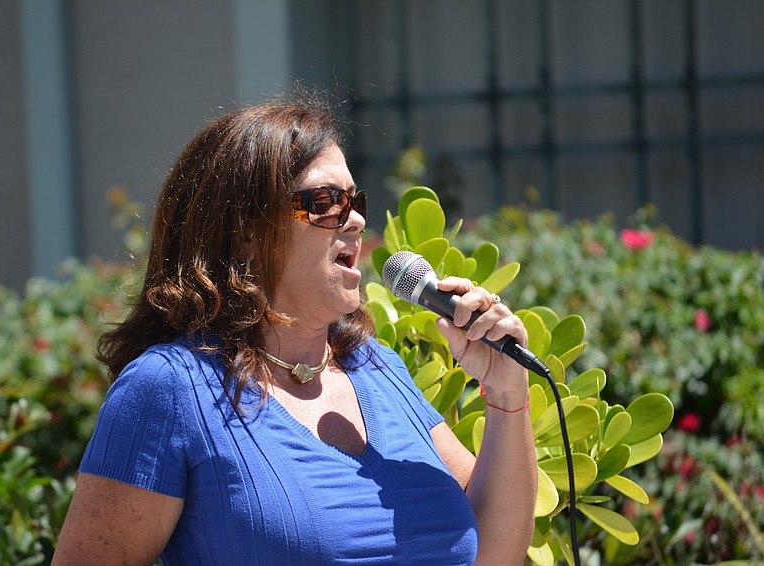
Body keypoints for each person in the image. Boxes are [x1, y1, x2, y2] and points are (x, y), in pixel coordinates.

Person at [53, 90, 537, 566]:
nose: (355, 220)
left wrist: (506, 390)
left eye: (355, 200)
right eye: (325, 201)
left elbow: (493, 553)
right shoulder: (170, 389)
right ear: (245, 231)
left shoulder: (378, 368)